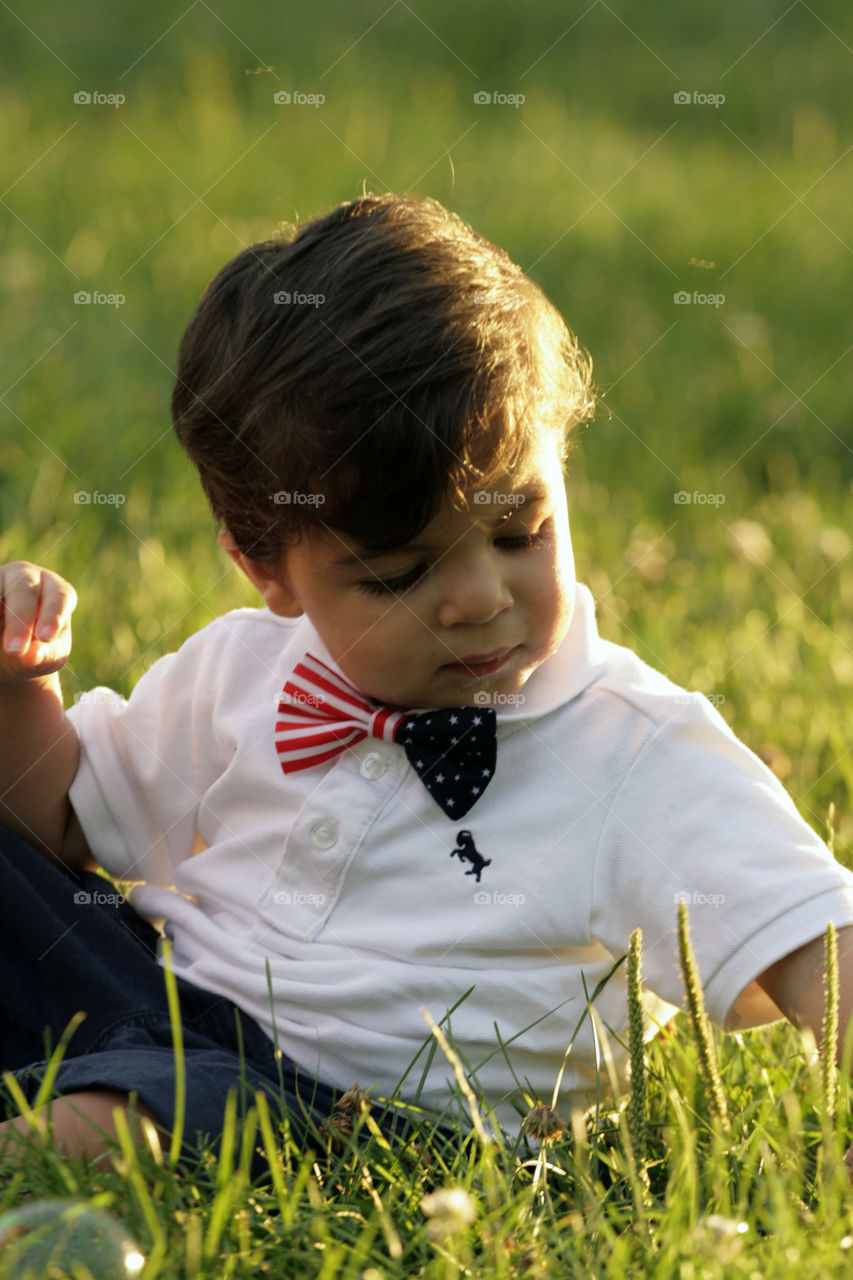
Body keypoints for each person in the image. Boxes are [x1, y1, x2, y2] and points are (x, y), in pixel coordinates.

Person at [1, 192, 852, 1166]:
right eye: (401, 574)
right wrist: (16, 678)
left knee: (119, 1122)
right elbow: (55, 821)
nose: (479, 596)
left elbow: (818, 938)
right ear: (266, 569)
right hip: (153, 993)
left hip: (353, 1108)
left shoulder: (630, 746)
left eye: (519, 529)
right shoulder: (240, 668)